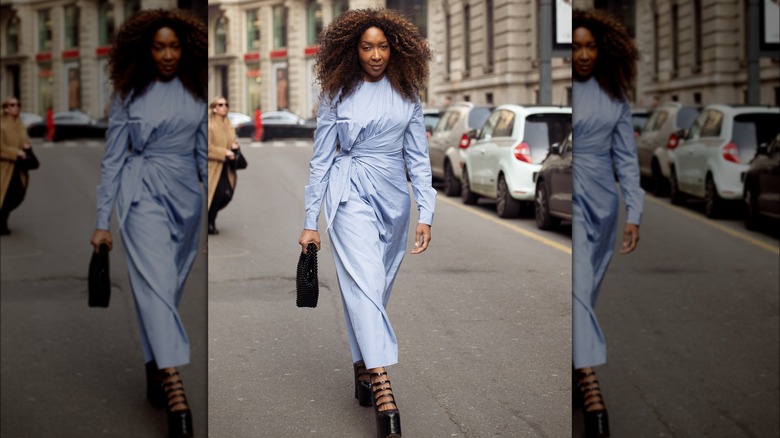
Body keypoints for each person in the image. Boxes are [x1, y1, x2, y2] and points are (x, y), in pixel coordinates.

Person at [298, 8, 435, 438]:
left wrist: (426, 212)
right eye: (366, 47)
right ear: (352, 50)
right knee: (362, 281)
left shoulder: (409, 94)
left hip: (395, 200)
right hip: (349, 192)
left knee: (374, 288)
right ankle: (381, 383)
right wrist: (310, 222)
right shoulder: (337, 94)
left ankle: (360, 365)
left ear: (395, 48)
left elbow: (418, 159)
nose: (375, 55)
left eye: (382, 46)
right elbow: (321, 160)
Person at [89, 9, 207, 438]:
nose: (168, 54)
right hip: (140, 195)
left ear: (186, 48)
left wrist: (207, 216)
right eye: (159, 46)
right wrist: (103, 222)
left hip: (186, 200)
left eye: (174, 45)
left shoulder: (196, 89)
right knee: (155, 284)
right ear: (146, 49)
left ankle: (155, 364)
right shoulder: (128, 94)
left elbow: (201, 153)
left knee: (166, 290)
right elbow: (113, 159)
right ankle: (174, 385)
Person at [571, 9, 643, 438]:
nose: (582, 55)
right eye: (576, 46)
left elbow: (627, 160)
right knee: (577, 283)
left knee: (587, 288)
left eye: (590, 46)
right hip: (571, 193)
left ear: (603, 49)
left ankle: (577, 360)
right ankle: (588, 379)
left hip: (603, 201)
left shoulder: (615, 94)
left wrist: (634, 211)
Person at [207, 96, 239, 235]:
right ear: (214, 108)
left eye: (226, 104)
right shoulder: (209, 126)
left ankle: (210, 219)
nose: (224, 107)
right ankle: (209, 222)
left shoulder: (228, 125)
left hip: (227, 167)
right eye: (221, 104)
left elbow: (232, 141)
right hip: (213, 167)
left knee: (226, 195)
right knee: (215, 195)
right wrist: (224, 152)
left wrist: (234, 146)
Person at [0, 97, 32, 235]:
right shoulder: (2, 126)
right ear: (6, 109)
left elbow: (23, 141)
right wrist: (16, 152)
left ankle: (3, 220)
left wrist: (26, 146)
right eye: (12, 105)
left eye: (18, 104)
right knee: (4, 195)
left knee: (17, 194)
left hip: (18, 167)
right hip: (4, 168)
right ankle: (2, 223)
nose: (16, 107)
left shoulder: (20, 125)